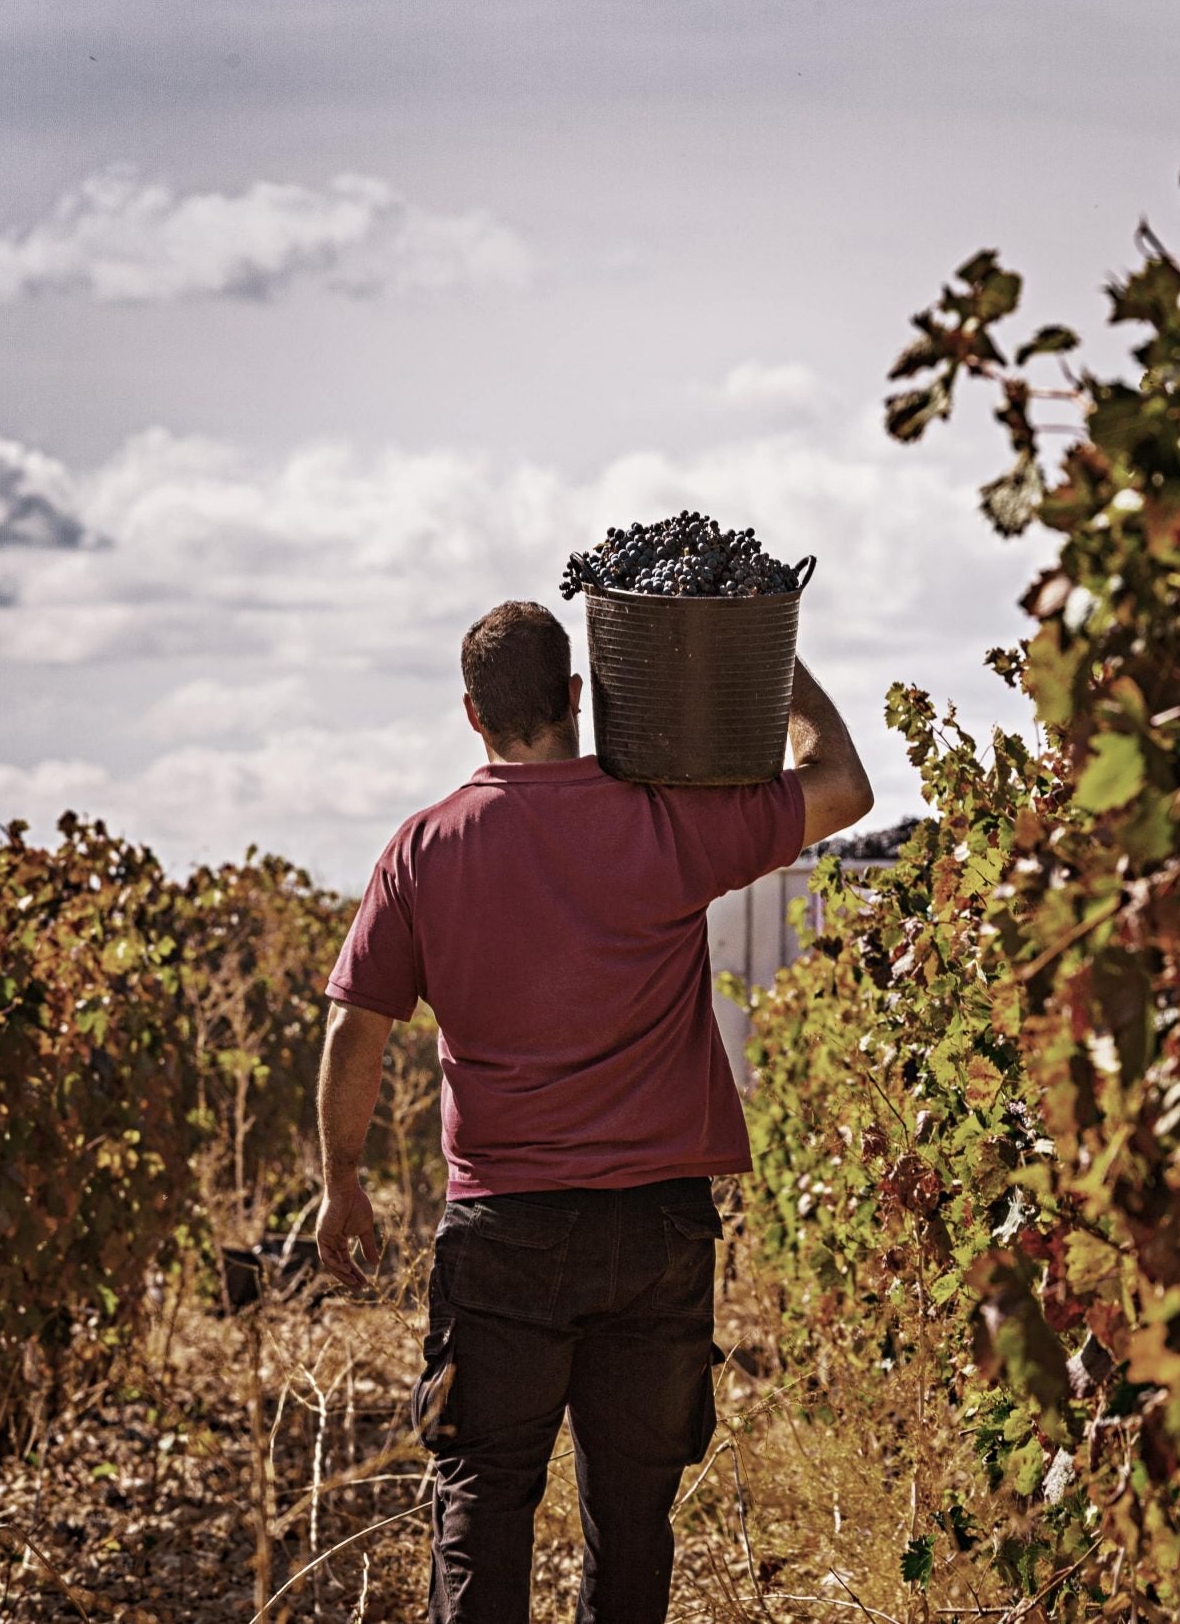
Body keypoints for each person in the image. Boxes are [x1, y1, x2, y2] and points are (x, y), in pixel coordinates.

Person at [312, 598, 872, 1624]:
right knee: (632, 1514)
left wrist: (341, 1183)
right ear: (577, 696)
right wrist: (770, 663)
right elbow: (841, 785)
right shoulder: (665, 821)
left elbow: (357, 1027)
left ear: (472, 716)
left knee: (481, 1499)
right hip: (657, 1228)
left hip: (505, 1233)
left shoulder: (423, 849)